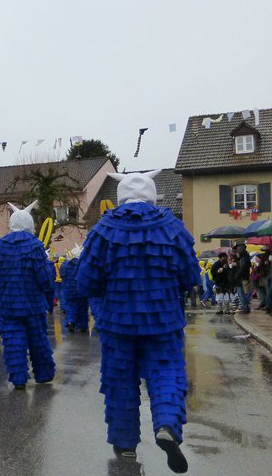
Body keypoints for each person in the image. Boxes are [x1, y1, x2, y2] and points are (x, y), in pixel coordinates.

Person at [76, 171, 198, 474]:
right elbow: (191, 277)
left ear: (121, 197)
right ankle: (167, 425)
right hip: (164, 320)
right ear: (153, 193)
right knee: (166, 372)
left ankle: (125, 445)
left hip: (118, 323)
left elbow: (86, 283)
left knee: (120, 382)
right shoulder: (173, 226)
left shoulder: (103, 228)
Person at [0, 201, 56, 390]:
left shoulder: (0, 246)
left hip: (9, 303)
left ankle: (18, 378)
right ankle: (43, 374)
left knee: (13, 340)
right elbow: (44, 278)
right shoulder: (35, 246)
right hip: (33, 303)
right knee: (38, 340)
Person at [61, 244, 89, 333]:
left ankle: (71, 321)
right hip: (81, 290)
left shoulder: (65, 265)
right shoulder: (84, 264)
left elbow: (63, 276)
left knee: (70, 306)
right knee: (82, 308)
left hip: (69, 289)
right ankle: (82, 325)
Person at [233, 243, 252, 314]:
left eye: (238, 248)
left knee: (241, 294)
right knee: (241, 293)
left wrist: (237, 275)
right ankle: (245, 307)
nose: (237, 250)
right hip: (241, 277)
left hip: (242, 277)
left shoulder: (244, 257)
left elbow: (242, 268)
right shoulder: (243, 257)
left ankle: (245, 308)